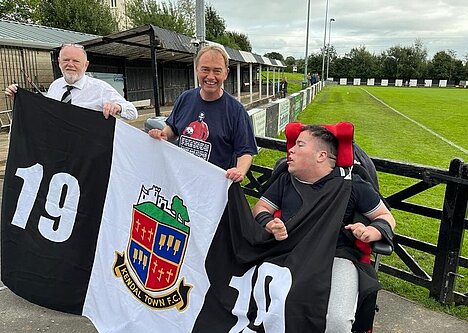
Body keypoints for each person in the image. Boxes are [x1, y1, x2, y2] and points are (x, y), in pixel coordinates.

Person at [252, 125, 395, 333]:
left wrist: (372, 231)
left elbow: (385, 216)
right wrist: (269, 223)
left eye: (299, 145)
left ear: (321, 155)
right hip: (288, 251)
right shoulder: (285, 179)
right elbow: (261, 207)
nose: (290, 149)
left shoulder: (352, 184)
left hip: (336, 256)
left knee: (336, 322)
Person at [148, 45, 258, 183]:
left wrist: (239, 171)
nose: (210, 77)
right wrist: (163, 134)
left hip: (214, 186)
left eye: (217, 71)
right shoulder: (185, 98)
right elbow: (173, 128)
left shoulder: (236, 111)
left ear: (226, 73)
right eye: (205, 69)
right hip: (182, 181)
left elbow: (246, 152)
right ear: (197, 70)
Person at [5, 43, 138, 120]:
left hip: (87, 154)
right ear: (59, 62)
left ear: (85, 65)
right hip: (58, 149)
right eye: (66, 60)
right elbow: (44, 113)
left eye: (76, 61)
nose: (70, 64)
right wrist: (18, 98)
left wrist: (119, 108)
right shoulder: (55, 86)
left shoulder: (100, 88)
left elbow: (133, 113)